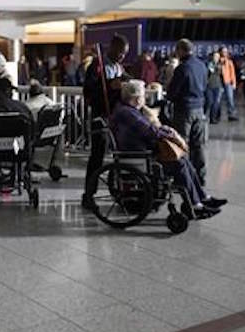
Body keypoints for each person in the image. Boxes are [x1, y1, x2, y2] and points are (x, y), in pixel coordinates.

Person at [111, 80, 225, 218]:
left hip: (143, 151)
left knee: (184, 160)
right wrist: (169, 132)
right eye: (143, 96)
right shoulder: (127, 113)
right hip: (140, 155)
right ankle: (196, 204)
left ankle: (201, 197)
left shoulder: (127, 110)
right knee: (180, 164)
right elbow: (151, 131)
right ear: (136, 98)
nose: (145, 99)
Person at [81, 34, 129, 210]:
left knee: (119, 155)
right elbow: (88, 92)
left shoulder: (118, 67)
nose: (122, 56)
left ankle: (122, 189)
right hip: (100, 117)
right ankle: (88, 195)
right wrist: (110, 85)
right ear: (113, 48)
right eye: (121, 52)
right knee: (97, 157)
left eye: (125, 54)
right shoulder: (97, 66)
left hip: (117, 118)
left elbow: (126, 80)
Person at [167, 39, 208, 185]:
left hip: (184, 111)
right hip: (199, 110)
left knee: (181, 144)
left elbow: (172, 92)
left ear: (181, 50)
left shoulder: (182, 68)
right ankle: (200, 177)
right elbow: (205, 86)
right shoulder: (202, 65)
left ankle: (182, 178)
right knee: (199, 145)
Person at [218, 47, 238, 121]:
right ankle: (217, 115)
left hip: (227, 82)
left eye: (226, 52)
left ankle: (231, 114)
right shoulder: (218, 61)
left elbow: (232, 73)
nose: (224, 53)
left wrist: (234, 83)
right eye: (223, 51)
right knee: (218, 100)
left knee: (230, 99)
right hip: (219, 83)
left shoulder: (229, 62)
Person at [206, 52, 223, 124]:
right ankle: (209, 116)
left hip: (218, 86)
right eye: (215, 56)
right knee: (210, 101)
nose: (216, 58)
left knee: (216, 102)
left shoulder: (220, 65)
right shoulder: (207, 64)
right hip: (209, 86)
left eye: (217, 57)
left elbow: (221, 74)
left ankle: (214, 118)